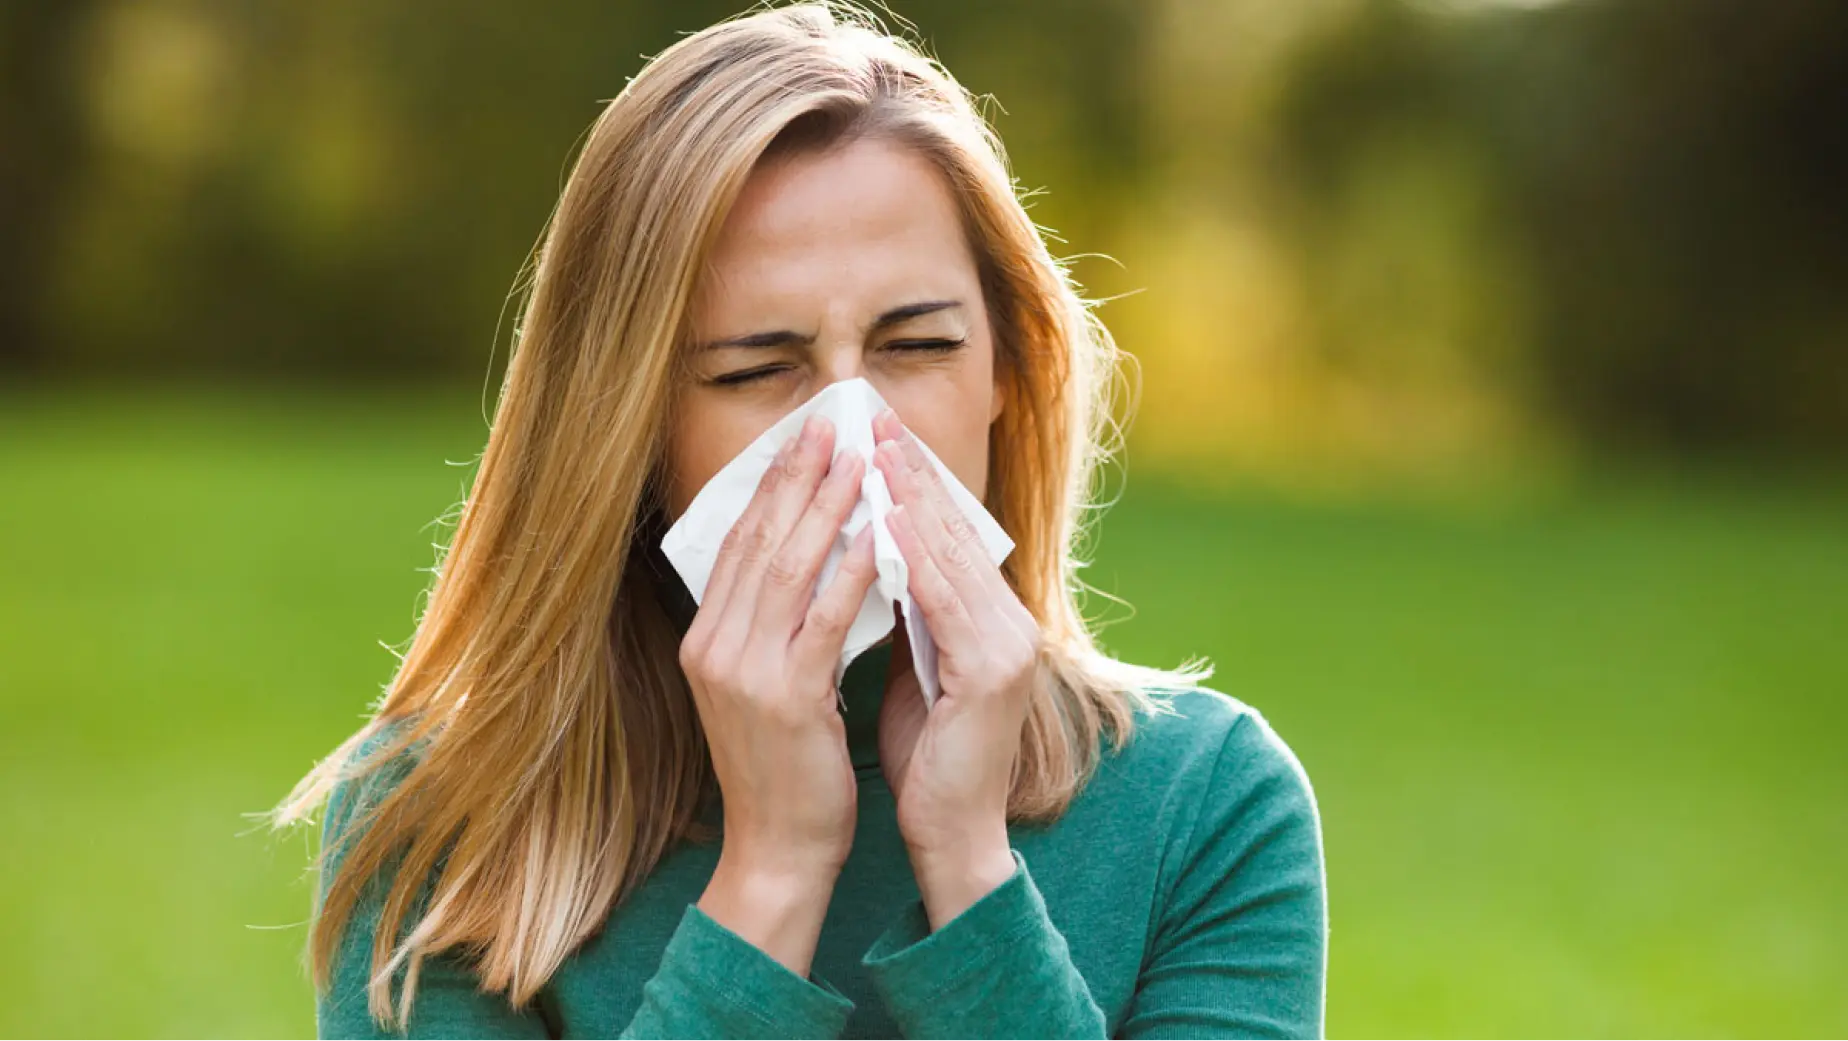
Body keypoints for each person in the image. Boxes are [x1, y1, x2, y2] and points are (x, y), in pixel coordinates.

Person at [271, 3, 1327, 1038]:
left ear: (1011, 369)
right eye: (759, 368)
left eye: (917, 348)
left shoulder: (1207, 805)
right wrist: (771, 876)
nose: (851, 429)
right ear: (626, 422)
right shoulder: (447, 820)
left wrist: (968, 868)